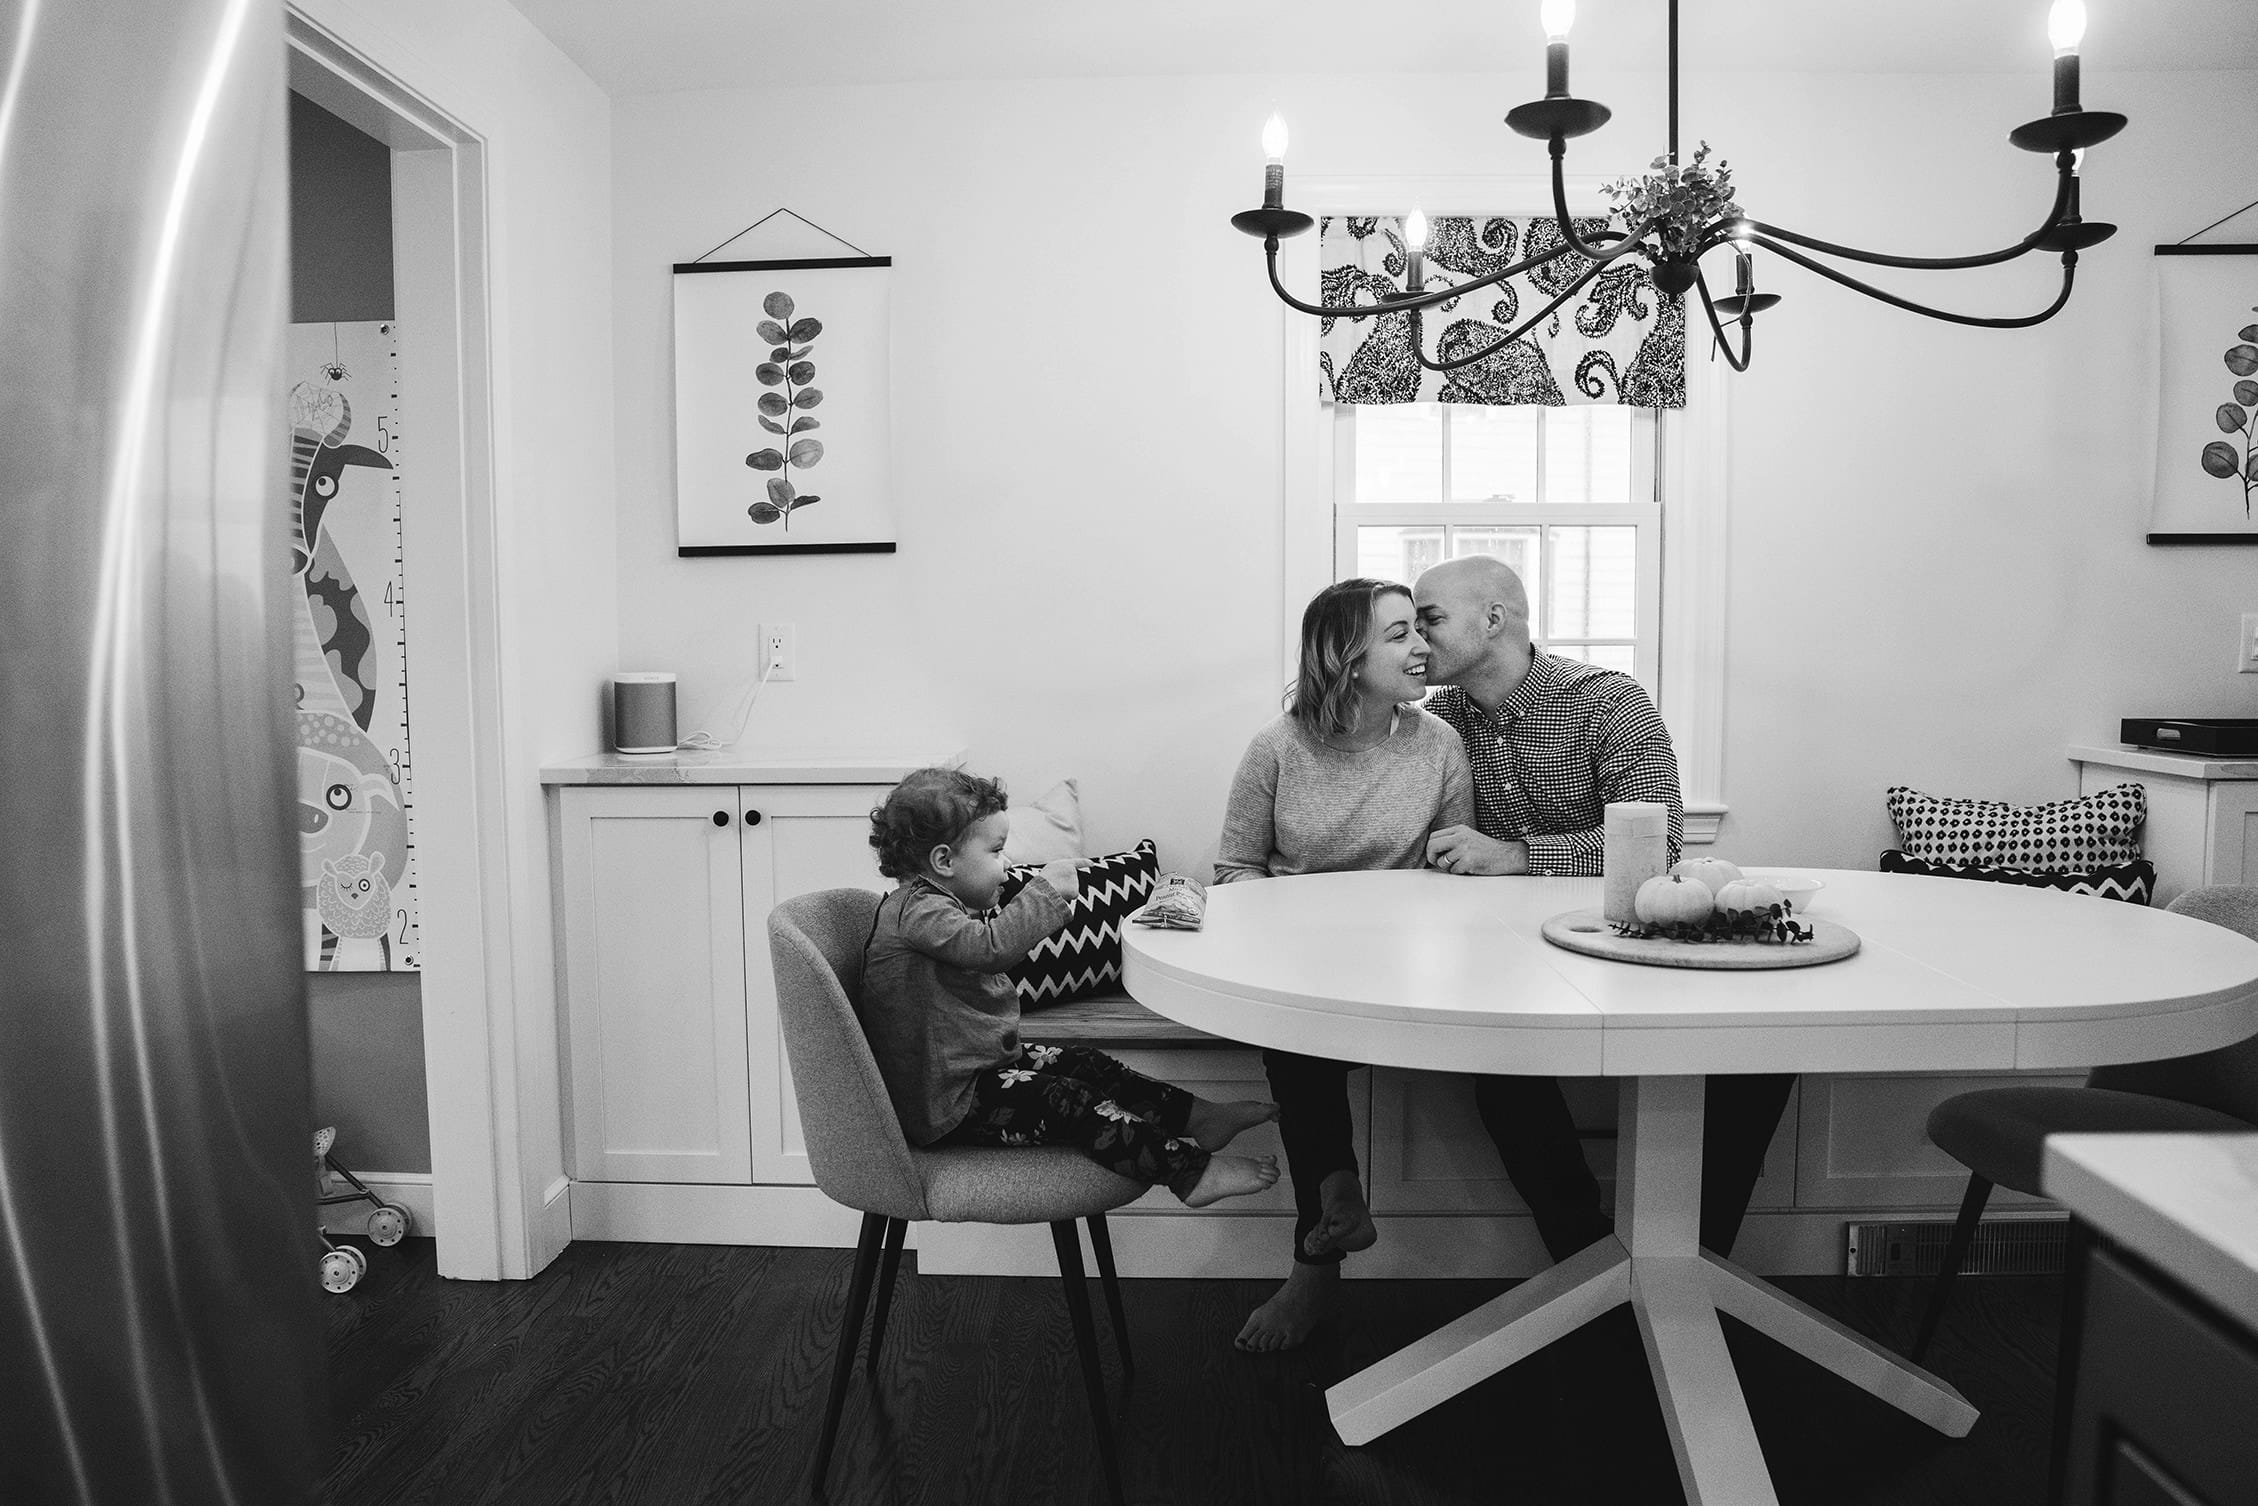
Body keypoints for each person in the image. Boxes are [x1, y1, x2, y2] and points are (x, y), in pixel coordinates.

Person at [1412, 554, 1796, 1266]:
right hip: (1512, 959)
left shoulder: (1607, 702)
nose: (1415, 638)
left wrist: (1518, 854)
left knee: (1763, 1060)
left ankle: (1689, 1264)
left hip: (1638, 947)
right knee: (1499, 1070)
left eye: (1428, 619)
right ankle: (1587, 1262)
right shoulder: (1439, 721)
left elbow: (1663, 842)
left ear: (1492, 619)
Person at [1215, 579, 1475, 1351]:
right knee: (1294, 1032)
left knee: (1301, 1036)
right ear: (1346, 656)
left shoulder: (1438, 745)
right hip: (1301, 966)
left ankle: (1318, 1251)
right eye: (1399, 634)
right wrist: (1293, 934)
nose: (1422, 646)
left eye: (1418, 632)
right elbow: (1234, 868)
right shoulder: (1276, 748)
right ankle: (1332, 1212)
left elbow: (1454, 866)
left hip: (1405, 962)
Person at [862, 767, 1281, 1207]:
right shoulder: (918, 912)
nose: (1006, 865)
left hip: (976, 1069)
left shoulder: (934, 907)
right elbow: (990, 949)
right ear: (944, 861)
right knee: (1071, 1100)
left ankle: (1198, 1116)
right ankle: (1189, 1173)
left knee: (1088, 1065)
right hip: (949, 1104)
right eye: (997, 851)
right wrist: (1044, 891)